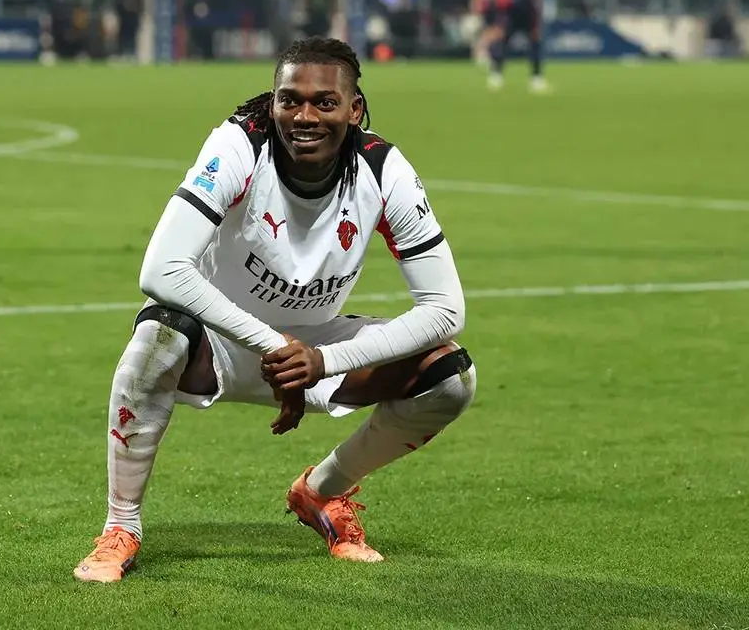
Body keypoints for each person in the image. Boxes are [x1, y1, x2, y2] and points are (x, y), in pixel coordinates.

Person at [74, 38, 475, 583]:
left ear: (354, 110)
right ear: (272, 103)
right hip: (218, 343)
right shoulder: (240, 145)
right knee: (156, 335)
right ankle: (121, 527)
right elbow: (161, 271)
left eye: (324, 103)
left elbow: (445, 309)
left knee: (450, 378)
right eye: (289, 100)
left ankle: (322, 492)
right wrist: (277, 348)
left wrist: (324, 360)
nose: (304, 116)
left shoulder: (384, 171)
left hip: (319, 351)